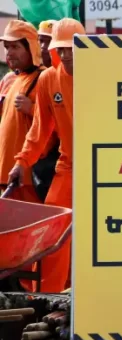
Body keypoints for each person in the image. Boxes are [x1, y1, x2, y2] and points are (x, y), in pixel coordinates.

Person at [8, 18, 86, 293]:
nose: (65, 54)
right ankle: (48, 295)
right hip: (68, 167)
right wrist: (22, 162)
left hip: (103, 167)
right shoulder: (49, 79)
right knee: (52, 229)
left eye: (71, 48)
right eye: (60, 49)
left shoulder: (101, 76)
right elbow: (40, 130)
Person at [0, 20, 44, 203]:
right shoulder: (10, 79)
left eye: (15, 46)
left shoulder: (43, 77)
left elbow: (58, 123)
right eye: (6, 47)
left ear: (31, 48)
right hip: (7, 176)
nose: (9, 52)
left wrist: (32, 109)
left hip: (27, 179)